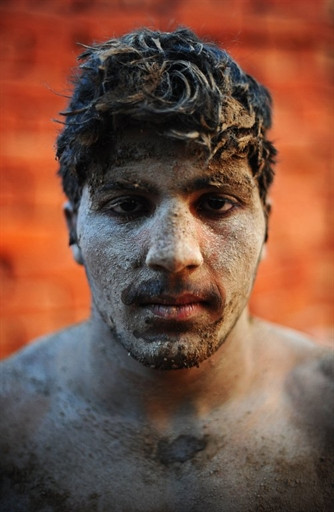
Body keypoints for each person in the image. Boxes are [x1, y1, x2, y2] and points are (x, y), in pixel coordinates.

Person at [0, 27, 333, 512]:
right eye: (128, 205)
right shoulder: (8, 426)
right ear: (74, 230)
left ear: (266, 228)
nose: (176, 254)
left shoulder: (325, 412)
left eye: (216, 203)